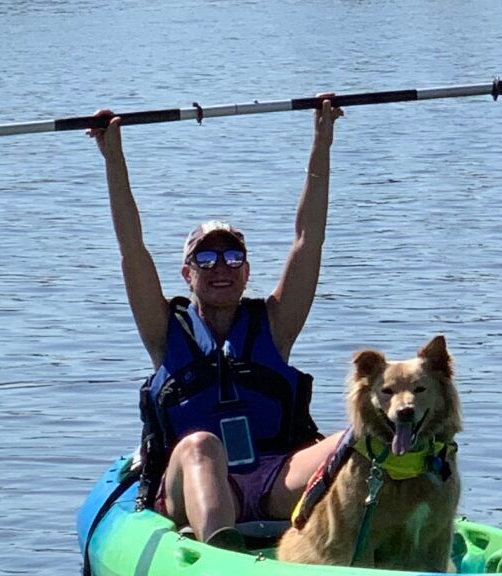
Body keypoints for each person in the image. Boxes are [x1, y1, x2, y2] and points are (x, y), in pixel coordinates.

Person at [90, 97, 346, 544]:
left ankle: (385, 539)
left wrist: (322, 139)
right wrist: (114, 156)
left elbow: (309, 239)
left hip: (274, 479)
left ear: (247, 271)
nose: (220, 267)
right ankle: (220, 562)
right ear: (187, 273)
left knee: (353, 439)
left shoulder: (275, 324)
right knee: (201, 444)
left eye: (233, 257)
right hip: (192, 481)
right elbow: (133, 248)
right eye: (205, 258)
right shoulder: (163, 330)